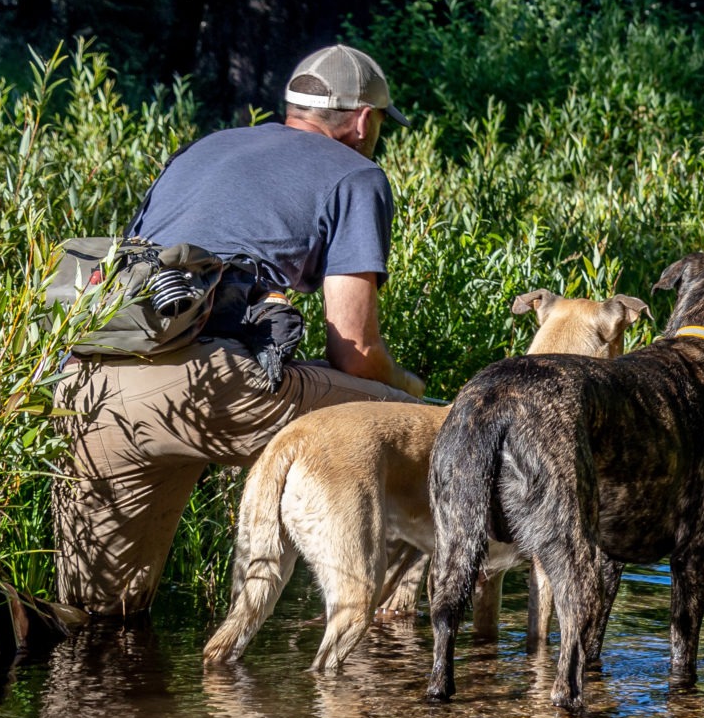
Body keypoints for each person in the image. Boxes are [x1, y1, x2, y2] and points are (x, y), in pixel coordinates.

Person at [55, 44, 429, 615]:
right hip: (207, 380)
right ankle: (392, 635)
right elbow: (354, 350)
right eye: (380, 122)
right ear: (361, 120)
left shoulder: (204, 149)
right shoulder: (358, 174)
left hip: (90, 385)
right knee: (429, 433)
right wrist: (406, 388)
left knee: (99, 620)